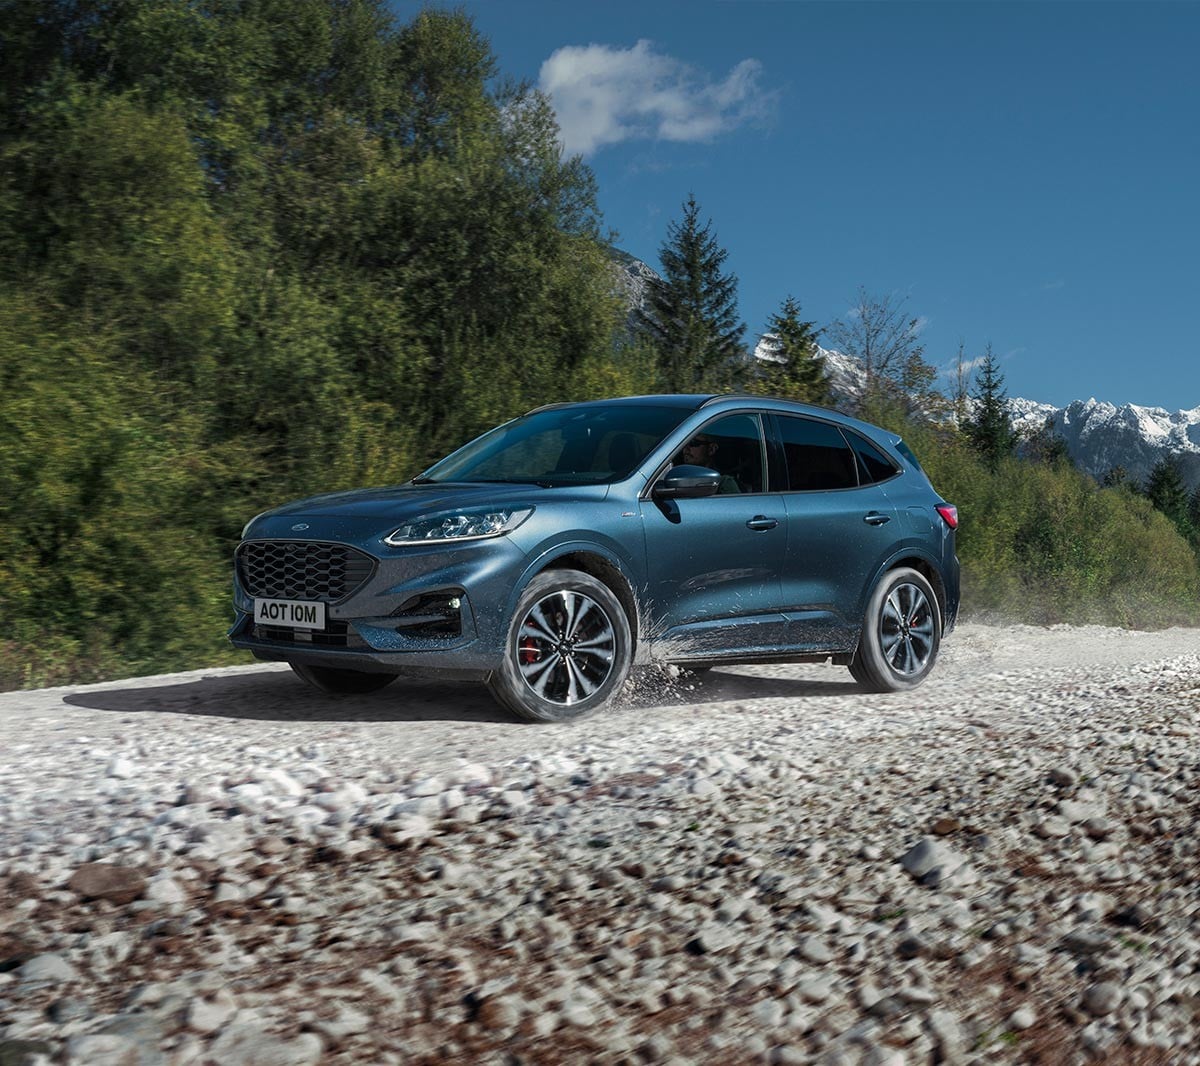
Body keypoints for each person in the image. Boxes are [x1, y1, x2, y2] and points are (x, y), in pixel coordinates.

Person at [675, 433, 741, 494]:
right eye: (683, 443)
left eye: (694, 443)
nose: (686, 448)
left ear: (711, 449)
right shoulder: (676, 478)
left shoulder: (724, 483)